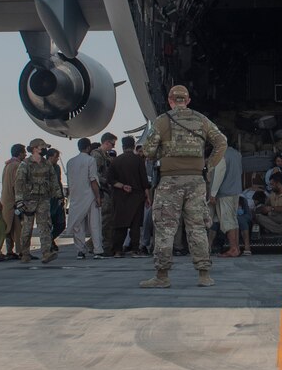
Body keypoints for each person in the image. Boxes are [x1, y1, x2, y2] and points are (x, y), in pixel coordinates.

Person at [138, 83, 227, 288]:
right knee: (197, 227)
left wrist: (162, 152)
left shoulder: (162, 121)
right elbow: (221, 142)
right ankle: (204, 275)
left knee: (165, 229)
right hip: (196, 181)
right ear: (187, 101)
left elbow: (149, 151)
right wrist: (208, 164)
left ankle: (162, 276)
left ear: (170, 100)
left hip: (170, 181)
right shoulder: (201, 120)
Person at [13, 139, 61, 262]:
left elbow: (54, 180)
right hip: (29, 200)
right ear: (34, 148)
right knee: (27, 228)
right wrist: (19, 200)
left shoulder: (47, 164)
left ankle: (46, 253)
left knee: (44, 226)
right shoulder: (25, 164)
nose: (44, 150)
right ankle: (25, 253)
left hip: (43, 199)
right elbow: (19, 183)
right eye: (42, 147)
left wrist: (59, 195)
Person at [105, 134, 148, 257]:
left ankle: (117, 250)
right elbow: (144, 181)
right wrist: (148, 197)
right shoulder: (138, 160)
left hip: (120, 197)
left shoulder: (116, 161)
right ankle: (135, 250)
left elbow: (110, 179)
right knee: (135, 225)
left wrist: (122, 186)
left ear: (123, 146)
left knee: (119, 224)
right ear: (134, 146)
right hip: (137, 196)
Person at [64, 138, 104, 259]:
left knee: (78, 224)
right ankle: (98, 250)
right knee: (94, 224)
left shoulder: (70, 162)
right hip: (90, 195)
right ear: (88, 148)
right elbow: (93, 180)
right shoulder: (90, 160)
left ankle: (80, 251)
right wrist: (98, 196)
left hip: (76, 197)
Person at [211, 149, 247, 258]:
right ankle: (236, 247)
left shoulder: (220, 154)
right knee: (233, 220)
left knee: (227, 221)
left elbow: (218, 174)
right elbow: (240, 171)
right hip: (235, 191)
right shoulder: (236, 153)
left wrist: (213, 193)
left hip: (225, 192)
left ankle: (233, 249)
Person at [0, 142, 26, 258]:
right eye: (24, 152)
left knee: (8, 228)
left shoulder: (7, 165)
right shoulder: (17, 165)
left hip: (6, 201)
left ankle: (10, 251)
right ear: (20, 153)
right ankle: (21, 251)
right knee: (18, 228)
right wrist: (20, 201)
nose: (25, 154)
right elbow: (17, 185)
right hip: (14, 202)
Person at [93, 132, 118, 252]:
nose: (113, 147)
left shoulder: (105, 156)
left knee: (109, 220)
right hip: (102, 190)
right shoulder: (97, 156)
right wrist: (107, 181)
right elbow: (94, 174)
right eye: (112, 144)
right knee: (104, 220)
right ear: (106, 142)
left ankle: (105, 245)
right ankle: (101, 245)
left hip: (107, 189)